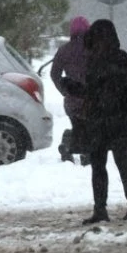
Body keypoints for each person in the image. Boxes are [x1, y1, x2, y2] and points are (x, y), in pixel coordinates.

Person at [80, 19, 127, 224]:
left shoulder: (95, 60)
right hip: (118, 119)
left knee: (102, 166)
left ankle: (102, 209)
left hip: (103, 120)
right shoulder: (121, 58)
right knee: (121, 162)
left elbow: (92, 90)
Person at [51, 16, 91, 165]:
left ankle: (68, 144)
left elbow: (54, 74)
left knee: (77, 124)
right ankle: (87, 154)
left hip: (72, 98)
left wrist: (64, 90)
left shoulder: (64, 50)